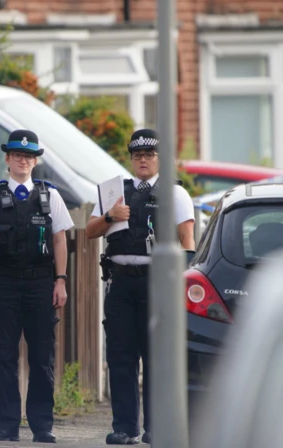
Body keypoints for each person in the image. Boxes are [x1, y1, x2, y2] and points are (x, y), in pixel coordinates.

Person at [85, 129, 195, 445]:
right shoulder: (113, 191)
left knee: (156, 357)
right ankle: (125, 427)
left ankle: (156, 427)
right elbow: (90, 231)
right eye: (137, 155)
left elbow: (187, 244)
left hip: (157, 284)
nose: (143, 160)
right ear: (131, 159)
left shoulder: (175, 194)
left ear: (160, 159)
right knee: (120, 356)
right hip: (119, 283)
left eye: (149, 155)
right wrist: (110, 215)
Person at [0, 130, 74, 444]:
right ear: (7, 158)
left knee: (42, 356)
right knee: (4, 355)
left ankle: (42, 425)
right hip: (3, 282)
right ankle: (6, 424)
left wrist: (61, 280)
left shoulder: (50, 195)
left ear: (35, 160)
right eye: (17, 155)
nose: (23, 160)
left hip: (40, 283)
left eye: (29, 156)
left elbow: (60, 240)